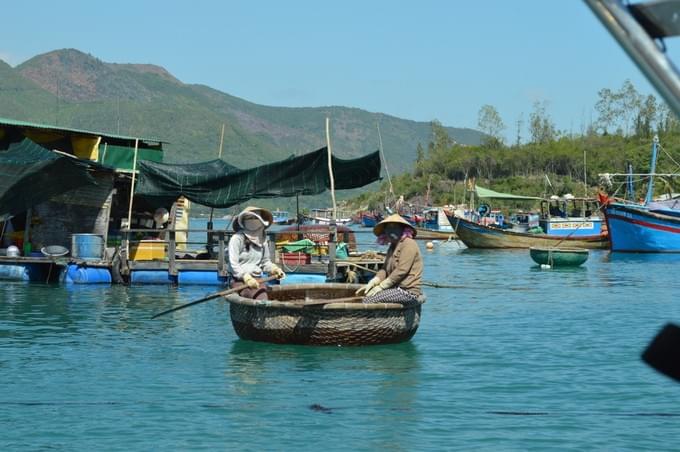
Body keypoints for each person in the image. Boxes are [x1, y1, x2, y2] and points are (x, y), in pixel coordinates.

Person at [356, 214, 423, 304]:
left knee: (368, 299)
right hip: (394, 288)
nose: (391, 232)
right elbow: (384, 269)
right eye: (388, 229)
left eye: (395, 228)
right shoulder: (392, 247)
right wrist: (374, 281)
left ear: (402, 229)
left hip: (407, 291)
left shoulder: (408, 244)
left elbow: (402, 270)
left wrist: (381, 286)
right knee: (365, 294)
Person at [228, 206, 285, 299]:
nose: (253, 221)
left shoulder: (262, 239)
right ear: (243, 221)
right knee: (261, 297)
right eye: (249, 218)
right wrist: (245, 277)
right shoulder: (237, 239)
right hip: (239, 280)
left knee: (273, 296)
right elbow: (233, 264)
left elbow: (265, 262)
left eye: (255, 218)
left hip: (258, 280)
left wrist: (274, 269)